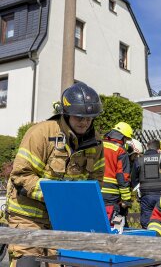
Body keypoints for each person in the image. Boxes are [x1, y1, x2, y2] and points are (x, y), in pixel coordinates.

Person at [6, 82, 105, 266]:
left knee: (62, 262)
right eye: (79, 117)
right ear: (66, 114)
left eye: (89, 118)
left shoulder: (96, 143)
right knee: (27, 262)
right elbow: (21, 175)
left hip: (63, 218)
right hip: (28, 216)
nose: (85, 122)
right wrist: (56, 196)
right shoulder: (41, 133)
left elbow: (96, 181)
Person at [101, 122, 133, 224]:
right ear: (122, 137)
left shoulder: (98, 146)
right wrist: (126, 200)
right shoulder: (120, 151)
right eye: (126, 139)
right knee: (113, 228)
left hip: (94, 192)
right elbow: (122, 176)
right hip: (111, 198)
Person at [132, 139, 161, 229]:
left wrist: (138, 191)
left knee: (146, 222)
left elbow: (133, 179)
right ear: (158, 148)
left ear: (147, 147)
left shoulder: (139, 160)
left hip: (146, 196)